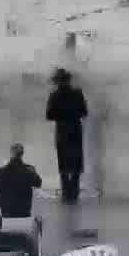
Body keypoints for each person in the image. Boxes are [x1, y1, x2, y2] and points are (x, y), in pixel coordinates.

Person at [44, 69, 88, 203]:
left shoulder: (54, 95)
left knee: (63, 163)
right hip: (75, 130)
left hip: (62, 131)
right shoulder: (77, 93)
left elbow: (49, 115)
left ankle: (66, 192)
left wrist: (61, 115)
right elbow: (84, 112)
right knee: (76, 163)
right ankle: (74, 192)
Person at [0, 145, 44, 220]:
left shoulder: (2, 171)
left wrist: (0, 202)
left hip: (7, 212)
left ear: (11, 153)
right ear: (22, 154)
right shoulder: (28, 170)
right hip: (24, 211)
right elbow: (38, 183)